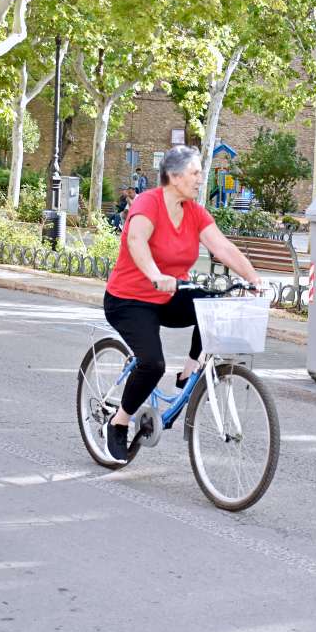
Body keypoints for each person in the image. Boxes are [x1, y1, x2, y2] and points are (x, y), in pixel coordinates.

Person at [102, 146, 263, 463]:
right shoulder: (149, 203)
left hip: (168, 296)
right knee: (152, 364)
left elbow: (223, 248)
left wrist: (255, 280)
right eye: (195, 173)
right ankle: (119, 422)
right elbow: (136, 241)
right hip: (130, 299)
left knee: (212, 305)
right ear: (174, 177)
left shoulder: (194, 212)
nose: (200, 179)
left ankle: (188, 371)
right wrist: (154, 274)